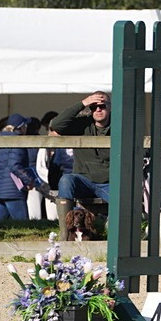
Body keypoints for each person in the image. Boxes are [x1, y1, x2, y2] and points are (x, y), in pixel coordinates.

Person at [51, 91, 112, 236]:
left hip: (109, 182)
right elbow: (57, 125)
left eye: (102, 106)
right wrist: (83, 103)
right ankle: (66, 234)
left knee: (123, 196)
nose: (98, 110)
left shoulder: (119, 125)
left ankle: (111, 233)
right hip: (83, 180)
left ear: (109, 107)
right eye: (93, 107)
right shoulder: (83, 124)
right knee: (66, 180)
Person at [0, 114, 39, 222]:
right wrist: (30, 181)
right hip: (13, 191)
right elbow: (14, 166)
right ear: (21, 127)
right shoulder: (17, 142)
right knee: (24, 226)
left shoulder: (0, 142)